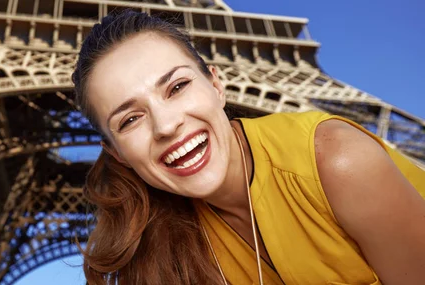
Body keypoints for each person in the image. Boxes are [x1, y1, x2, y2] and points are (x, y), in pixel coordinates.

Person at [71, 10, 425, 285]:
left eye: (177, 87)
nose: (166, 126)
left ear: (216, 84)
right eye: (130, 120)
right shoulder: (159, 240)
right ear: (117, 153)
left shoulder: (335, 159)